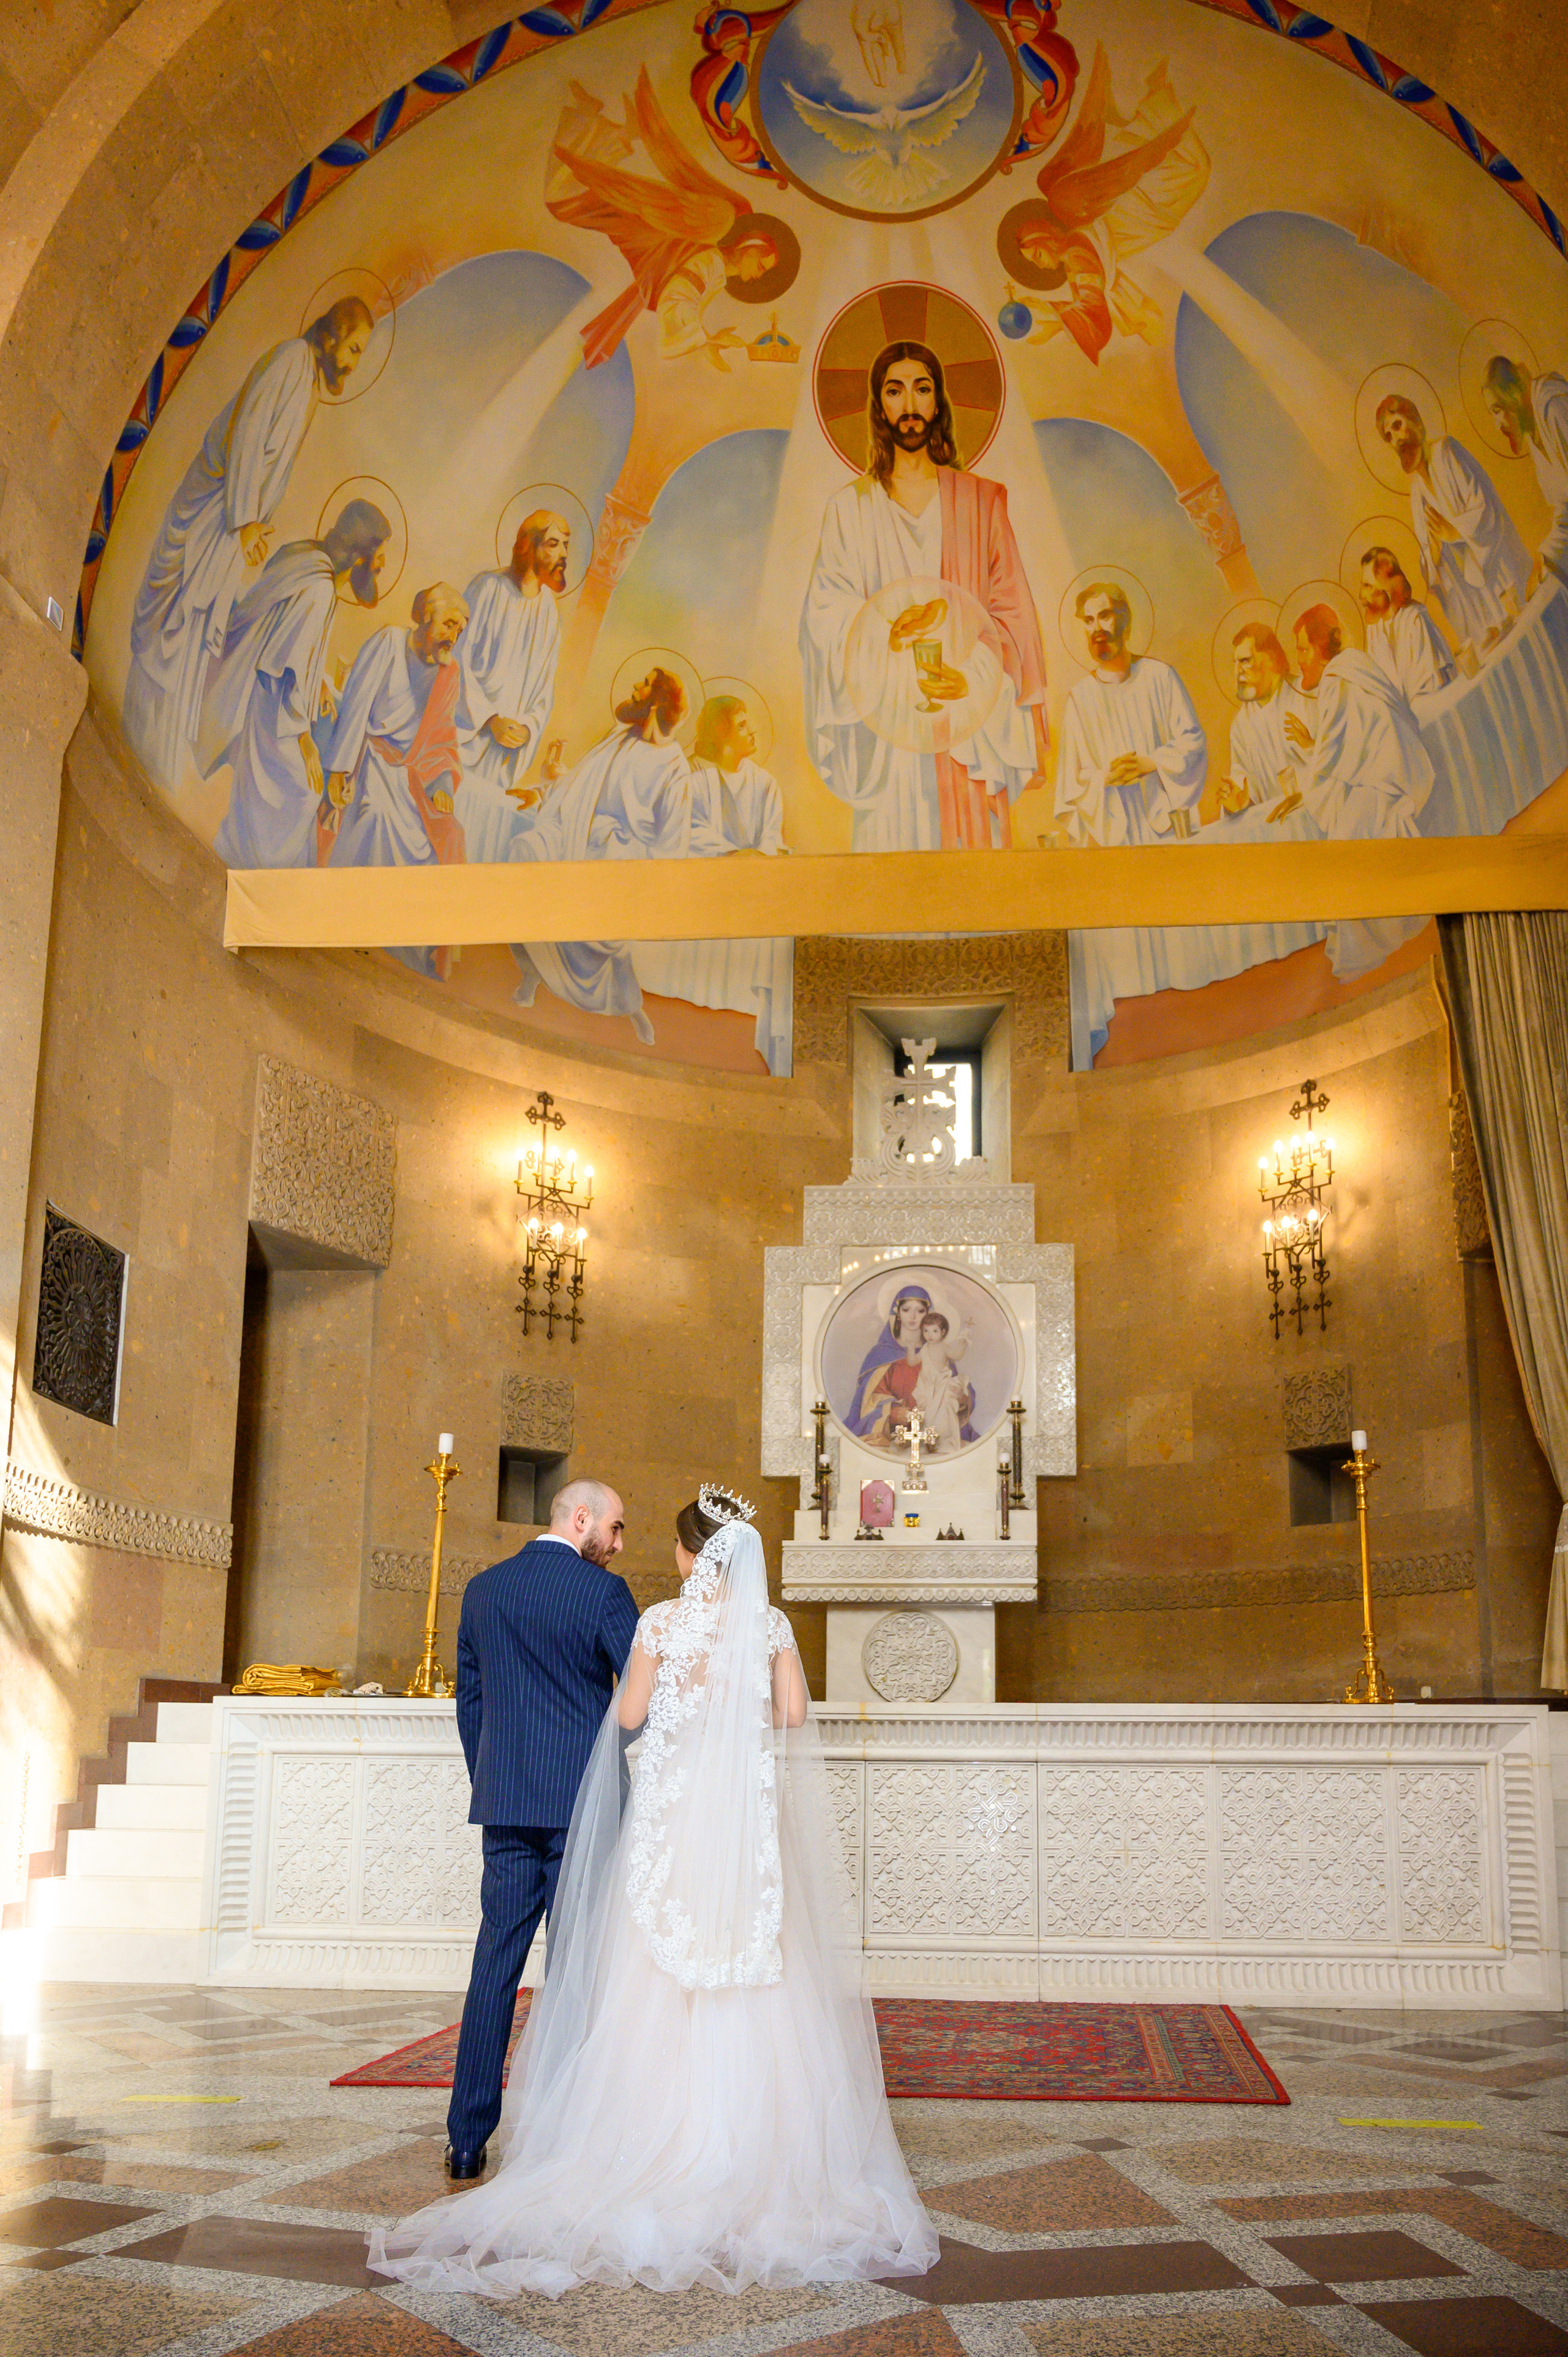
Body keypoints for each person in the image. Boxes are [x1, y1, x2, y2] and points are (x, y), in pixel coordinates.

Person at [371, 1486, 936, 2296]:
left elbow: (581, 1706)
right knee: (684, 1966)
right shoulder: (742, 1621)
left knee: (545, 1965)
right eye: (615, 1523)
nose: (628, 1541)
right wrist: (722, 1718)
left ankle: (483, 2137)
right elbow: (788, 1712)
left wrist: (657, 1715)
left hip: (549, 1805)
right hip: (722, 1824)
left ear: (688, 1553)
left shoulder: (534, 1597)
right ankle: (737, 2143)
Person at [438, 1478, 636, 2184]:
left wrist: (496, 1775)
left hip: (507, 1801)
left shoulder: (484, 1590)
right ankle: (562, 2131)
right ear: (578, 1517)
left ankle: (466, 2138)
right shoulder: (602, 1594)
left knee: (494, 1964)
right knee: (575, 1968)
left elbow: (473, 1702)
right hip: (582, 1808)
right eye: (612, 1528)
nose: (616, 1545)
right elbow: (639, 1701)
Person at [801, 339, 1049, 851]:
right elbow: (825, 612)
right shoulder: (851, 508)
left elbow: (1012, 616)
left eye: (922, 389)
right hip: (887, 729)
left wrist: (973, 680)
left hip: (967, 723)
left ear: (938, 404)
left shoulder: (982, 503)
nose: (910, 405)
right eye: (895, 391)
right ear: (878, 405)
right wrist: (882, 631)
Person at [125, 297, 374, 784]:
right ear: (331, 336)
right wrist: (245, 521)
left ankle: (164, 751)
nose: (352, 363)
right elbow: (248, 433)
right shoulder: (290, 361)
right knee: (177, 628)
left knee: (195, 641)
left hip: (228, 529)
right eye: (354, 349)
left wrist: (252, 523)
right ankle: (145, 737)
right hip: (211, 515)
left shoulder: (309, 384)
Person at [508, 664, 693, 1045]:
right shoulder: (619, 737)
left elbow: (672, 846)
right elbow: (583, 787)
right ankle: (532, 972)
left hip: (621, 860)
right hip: (574, 838)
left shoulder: (676, 770)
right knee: (523, 852)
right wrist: (545, 789)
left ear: (657, 704)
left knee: (605, 918)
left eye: (643, 685)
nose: (634, 688)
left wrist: (624, 851)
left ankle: (632, 1009)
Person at [202, 498, 390, 870]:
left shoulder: (305, 559)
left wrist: (317, 680)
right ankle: (259, 864)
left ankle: (243, 849)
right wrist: (304, 739)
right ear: (360, 555)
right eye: (380, 555)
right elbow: (282, 665)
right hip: (273, 707)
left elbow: (289, 642)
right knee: (303, 795)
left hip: (270, 696)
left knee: (286, 790)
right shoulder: (320, 591)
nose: (382, 566)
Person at [1375, 393, 1530, 654]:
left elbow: (1486, 509)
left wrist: (1455, 530)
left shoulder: (1446, 452)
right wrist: (1433, 557)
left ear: (1415, 421)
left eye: (1398, 425)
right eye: (1389, 436)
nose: (1397, 439)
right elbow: (1429, 561)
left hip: (1501, 578)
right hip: (1477, 605)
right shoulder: (1417, 495)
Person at [454, 512, 569, 864]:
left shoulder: (549, 612)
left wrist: (528, 726)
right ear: (527, 547)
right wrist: (489, 720)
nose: (564, 553)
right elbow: (455, 662)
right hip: (466, 744)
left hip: (505, 758)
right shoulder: (487, 589)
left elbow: (543, 691)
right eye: (553, 544)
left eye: (566, 544)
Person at [1054, 580, 1207, 842]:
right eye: (1089, 621)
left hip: (1166, 826)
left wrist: (1150, 763)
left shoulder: (1160, 677)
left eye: (1105, 616)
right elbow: (1072, 783)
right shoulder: (1079, 699)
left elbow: (1192, 741)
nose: (1097, 629)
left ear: (1124, 621)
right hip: (1118, 833)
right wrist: (1106, 777)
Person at [1283, 603, 1434, 839]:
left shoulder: (1335, 683)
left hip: (1379, 796)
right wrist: (1314, 746)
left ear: (1321, 649)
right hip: (1397, 780)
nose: (1299, 661)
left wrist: (1307, 783)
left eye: (1303, 650)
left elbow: (1329, 766)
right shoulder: (1355, 664)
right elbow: (1352, 749)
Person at [1482, 353, 1568, 586]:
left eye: (1497, 410)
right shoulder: (1532, 431)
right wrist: (1544, 555)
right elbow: (1564, 507)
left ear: (1512, 395)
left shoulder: (1554, 407)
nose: (1497, 424)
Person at [1217, 621, 1311, 820]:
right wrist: (1238, 802)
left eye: (1245, 661)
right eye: (1235, 663)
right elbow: (1245, 790)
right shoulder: (1241, 726)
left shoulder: (1304, 696)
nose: (1237, 672)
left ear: (1272, 660)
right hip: (1273, 827)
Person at [688, 692, 786, 854]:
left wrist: (756, 859)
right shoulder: (693, 775)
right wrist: (734, 855)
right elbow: (691, 831)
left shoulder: (765, 783)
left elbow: (773, 838)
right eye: (741, 726)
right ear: (721, 733)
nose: (752, 731)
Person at [1357, 545, 1454, 703]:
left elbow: (1428, 687)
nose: (1361, 595)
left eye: (1368, 586)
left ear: (1387, 588)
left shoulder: (1414, 620)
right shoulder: (1374, 631)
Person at [913, 1309, 970, 1456]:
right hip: (926, 1386)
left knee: (942, 1412)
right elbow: (912, 1362)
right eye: (926, 1331)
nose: (930, 1335)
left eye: (934, 1331)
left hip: (942, 1384)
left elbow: (956, 1355)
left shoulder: (944, 1346)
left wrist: (963, 1343)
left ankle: (945, 1443)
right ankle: (929, 1443)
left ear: (943, 1332)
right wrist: (909, 1348)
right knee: (927, 1415)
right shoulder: (925, 1348)